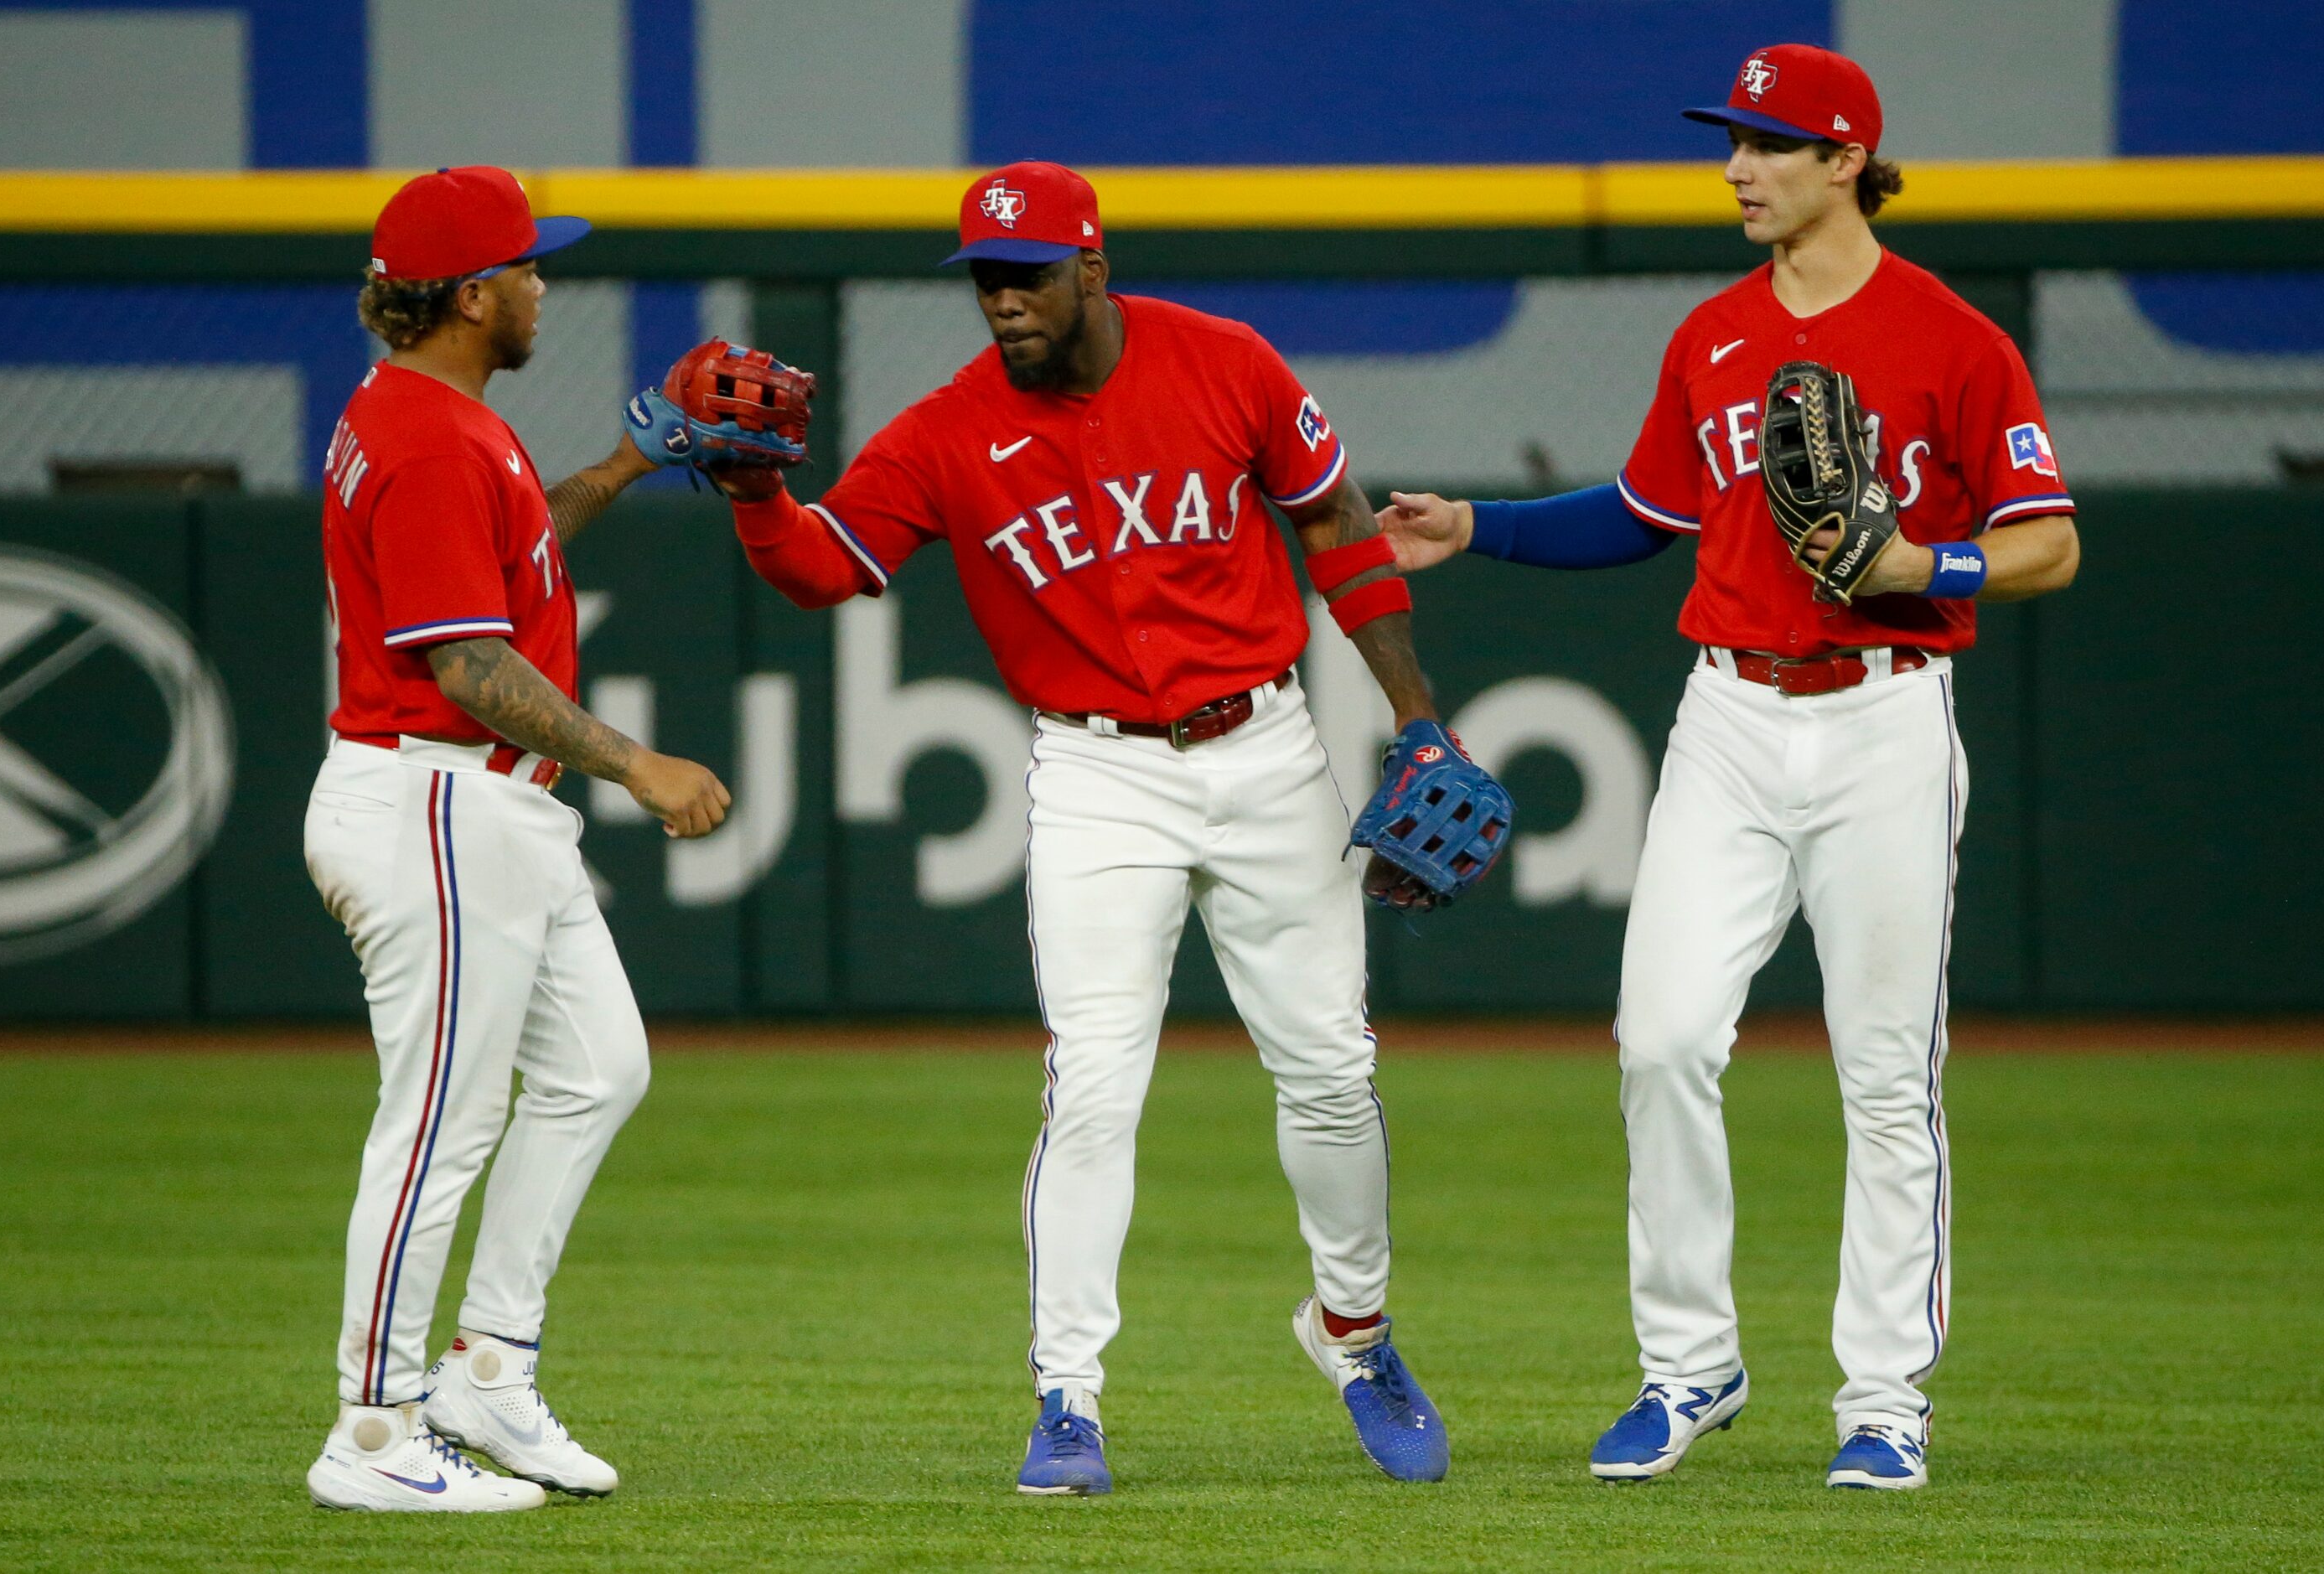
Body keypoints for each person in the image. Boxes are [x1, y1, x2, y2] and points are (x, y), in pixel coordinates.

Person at [640, 161, 1459, 1494]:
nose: (1000, 301)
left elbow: (1333, 522)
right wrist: (751, 495)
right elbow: (824, 569)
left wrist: (1420, 720)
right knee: (1092, 1084)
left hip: (1264, 747)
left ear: (1090, 267)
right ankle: (1066, 1398)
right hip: (1096, 776)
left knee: (1328, 1072)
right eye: (981, 279)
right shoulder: (948, 429)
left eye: (1022, 274)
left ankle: (1355, 1336)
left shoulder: (1225, 363)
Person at [1378, 46, 2079, 1491]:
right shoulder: (1709, 334)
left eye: (1766, 142)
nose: (1736, 166)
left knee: (1886, 1075)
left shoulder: (1953, 339)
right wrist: (1480, 528)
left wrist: (1918, 560)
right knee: (1661, 1038)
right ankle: (1688, 1365)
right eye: (1733, 141)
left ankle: (1883, 1401)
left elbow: (2047, 540)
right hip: (1730, 718)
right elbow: (1642, 511)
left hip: (1884, 714)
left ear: (1843, 162)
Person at [304, 165, 729, 1512]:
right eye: (530, 268)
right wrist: (636, 763)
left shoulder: (437, 418)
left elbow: (511, 554)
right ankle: (370, 1430)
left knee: (598, 1068)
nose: (546, 284)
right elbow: (467, 666)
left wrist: (624, 463)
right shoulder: (428, 439)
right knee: (435, 1124)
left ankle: (486, 1363)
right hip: (433, 794)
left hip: (483, 808)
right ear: (474, 292)